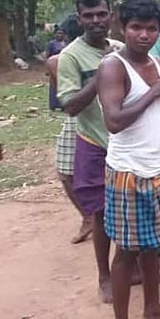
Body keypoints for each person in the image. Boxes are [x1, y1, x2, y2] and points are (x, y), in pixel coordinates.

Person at [96, 0, 160, 318]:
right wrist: (153, 92)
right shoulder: (113, 66)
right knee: (126, 250)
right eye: (136, 28)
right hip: (129, 173)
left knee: (152, 244)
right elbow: (114, 121)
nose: (144, 35)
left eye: (151, 29)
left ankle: (152, 307)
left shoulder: (158, 64)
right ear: (122, 28)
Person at [56, 0, 123, 303]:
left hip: (125, 143)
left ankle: (131, 269)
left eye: (101, 14)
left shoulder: (122, 49)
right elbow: (69, 105)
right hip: (94, 142)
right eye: (89, 15)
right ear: (79, 18)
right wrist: (100, 78)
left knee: (129, 209)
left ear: (110, 15)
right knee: (100, 214)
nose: (96, 20)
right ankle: (104, 276)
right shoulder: (70, 56)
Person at [49, 53, 92, 243]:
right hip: (78, 116)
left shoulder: (117, 50)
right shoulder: (58, 60)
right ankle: (89, 217)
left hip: (109, 114)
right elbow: (68, 101)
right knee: (65, 171)